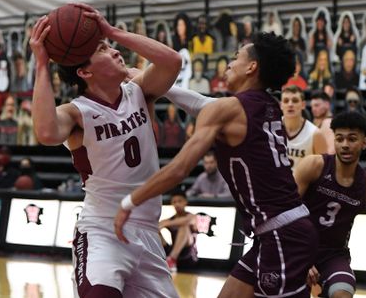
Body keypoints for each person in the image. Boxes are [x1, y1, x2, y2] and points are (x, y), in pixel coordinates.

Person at [115, 32, 318, 298]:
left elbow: (179, 168)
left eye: (236, 58)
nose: (230, 64)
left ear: (251, 67)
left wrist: (129, 202)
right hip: (278, 232)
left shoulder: (230, 109)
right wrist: (148, 81)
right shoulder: (265, 104)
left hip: (282, 235)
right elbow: (201, 103)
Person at [29, 4, 182, 298]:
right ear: (84, 71)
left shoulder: (139, 91)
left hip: (148, 234)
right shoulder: (76, 113)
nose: (114, 50)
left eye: (110, 46)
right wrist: (40, 64)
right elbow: (46, 132)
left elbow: (172, 61)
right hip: (102, 231)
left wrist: (111, 32)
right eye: (103, 49)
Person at [294, 111, 366, 298]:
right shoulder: (314, 165)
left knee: (343, 292)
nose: (345, 145)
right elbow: (285, 210)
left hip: (333, 255)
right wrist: (300, 255)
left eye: (352, 139)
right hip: (297, 247)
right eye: (339, 139)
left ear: (364, 142)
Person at [281, 85, 328, 170]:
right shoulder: (272, 128)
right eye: (286, 101)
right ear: (281, 105)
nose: (290, 104)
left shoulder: (315, 134)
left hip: (302, 182)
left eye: (295, 101)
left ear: (303, 105)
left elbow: (325, 170)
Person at [159, 190, 198, 272]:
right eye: (174, 202)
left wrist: (166, 223)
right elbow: (158, 225)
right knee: (154, 230)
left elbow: (186, 221)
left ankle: (171, 260)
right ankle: (161, 258)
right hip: (171, 251)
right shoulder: (170, 219)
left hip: (188, 255)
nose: (177, 204)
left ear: (185, 202)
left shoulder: (192, 217)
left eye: (179, 201)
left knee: (183, 227)